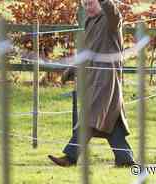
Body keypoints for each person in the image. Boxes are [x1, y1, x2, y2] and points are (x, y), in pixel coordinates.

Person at [48, 0, 135, 167]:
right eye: (84, 4)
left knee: (90, 117)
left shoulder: (111, 19)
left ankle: (70, 157)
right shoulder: (89, 21)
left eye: (90, 3)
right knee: (111, 119)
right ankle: (125, 159)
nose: (87, 7)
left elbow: (112, 11)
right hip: (94, 78)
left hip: (107, 79)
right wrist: (71, 70)